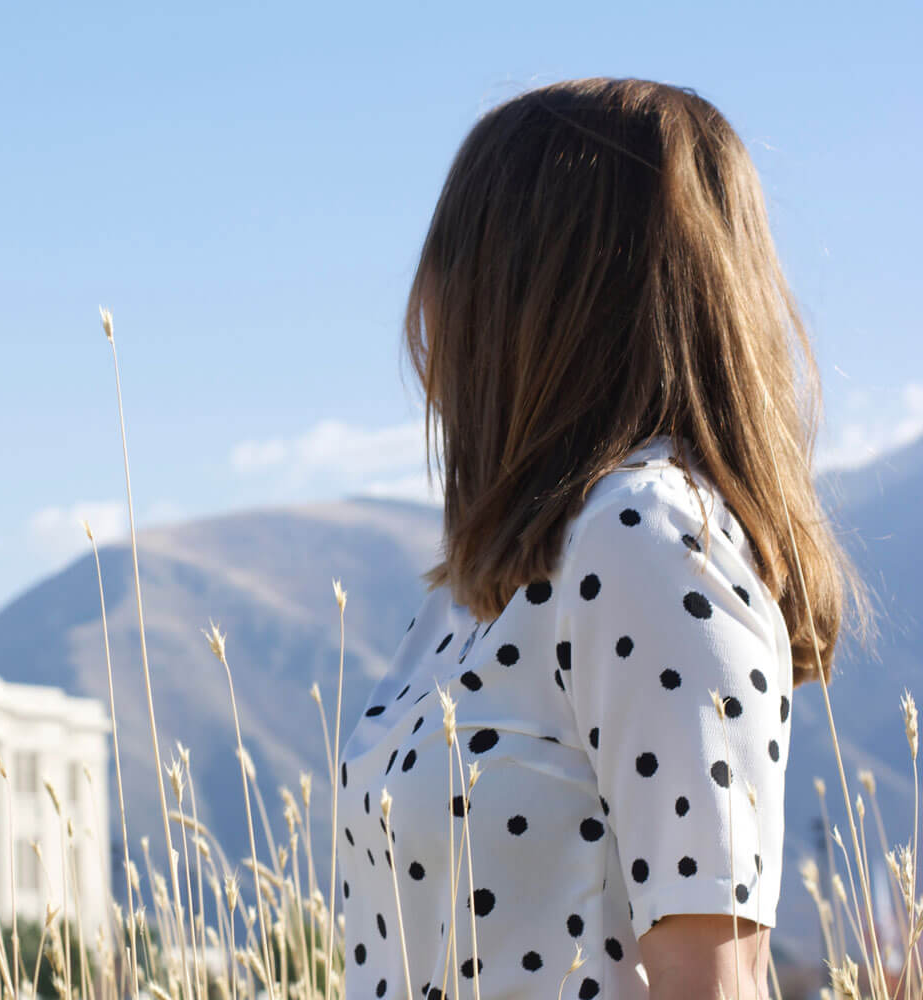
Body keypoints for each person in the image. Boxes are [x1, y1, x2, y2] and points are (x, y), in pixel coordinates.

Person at [337, 78, 866, 999]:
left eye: (457, 256)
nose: (425, 307)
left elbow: (717, 978)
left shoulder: (648, 543)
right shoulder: (480, 588)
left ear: (538, 290)